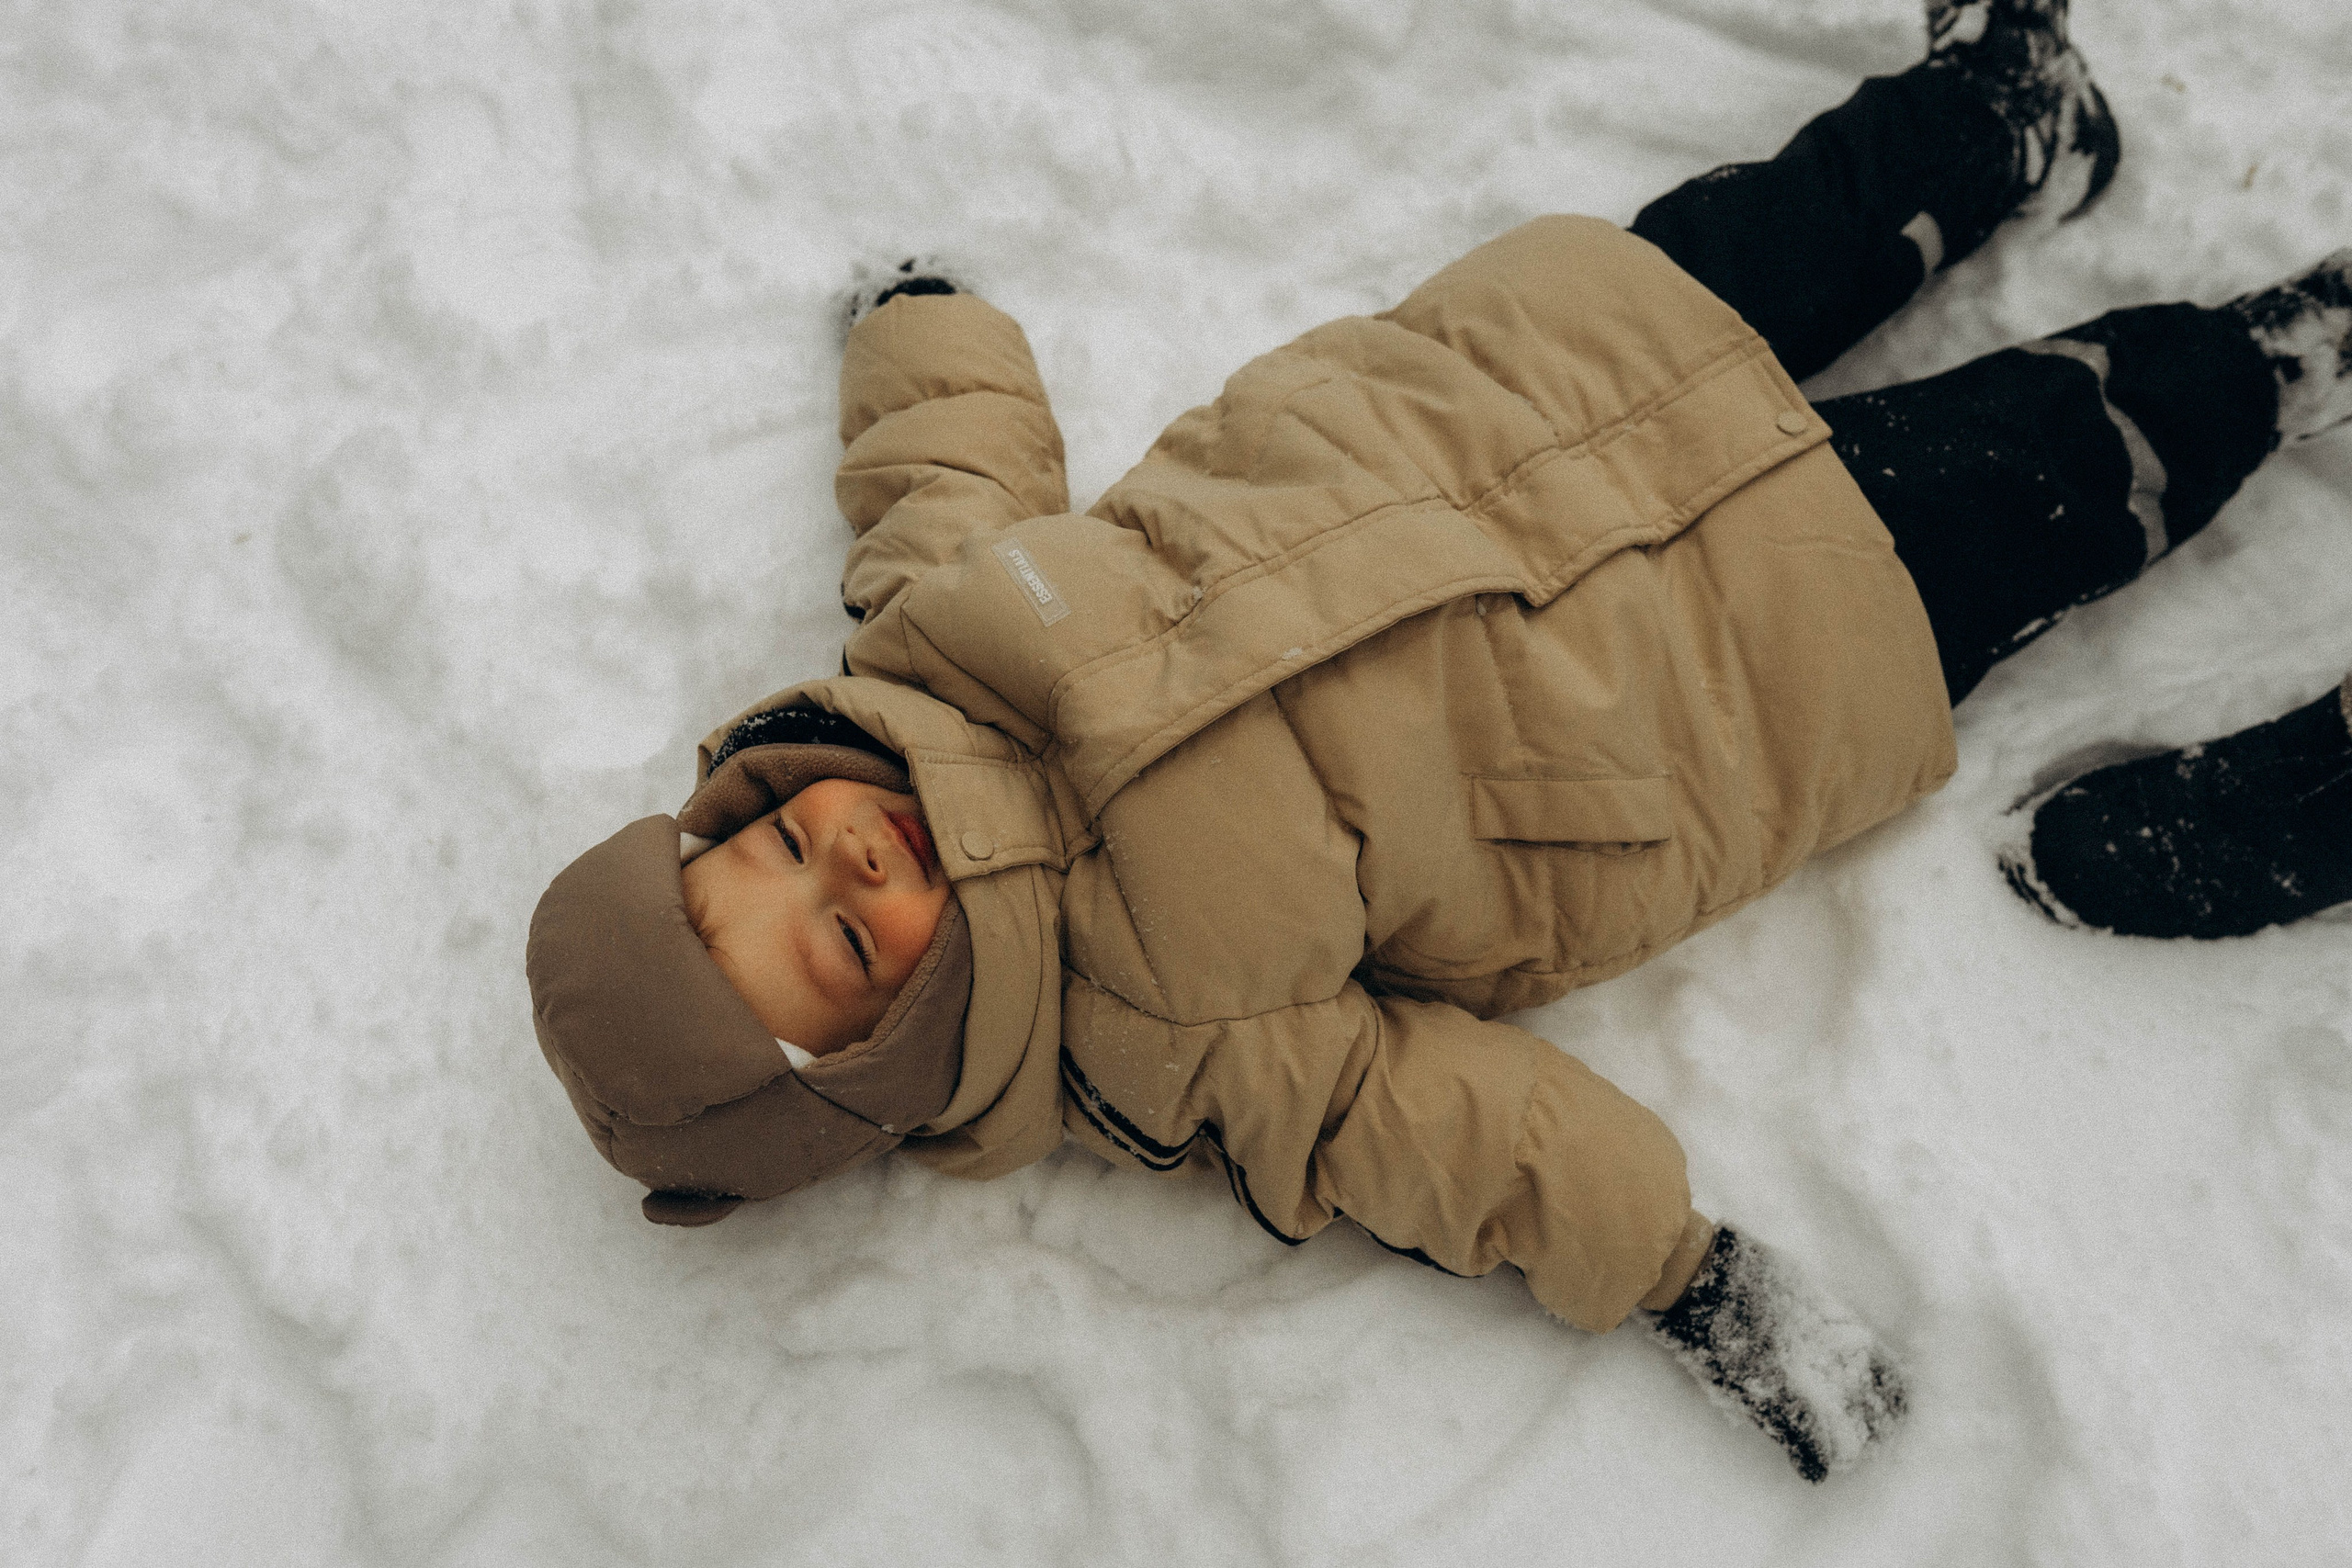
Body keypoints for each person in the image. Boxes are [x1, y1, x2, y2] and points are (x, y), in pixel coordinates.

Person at [524, 0, 2352, 1482]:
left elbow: (940, 467)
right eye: (849, 942)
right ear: (894, 1057)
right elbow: (1440, 1137)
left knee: (1811, 211)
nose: (846, 858)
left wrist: (918, 329)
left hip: (1527, 382)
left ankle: (2008, 112)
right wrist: (1683, 1271)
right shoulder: (1160, 1042)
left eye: (773, 847)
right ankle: (2280, 360)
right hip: (1740, 666)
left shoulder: (931, 632)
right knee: (2050, 460)